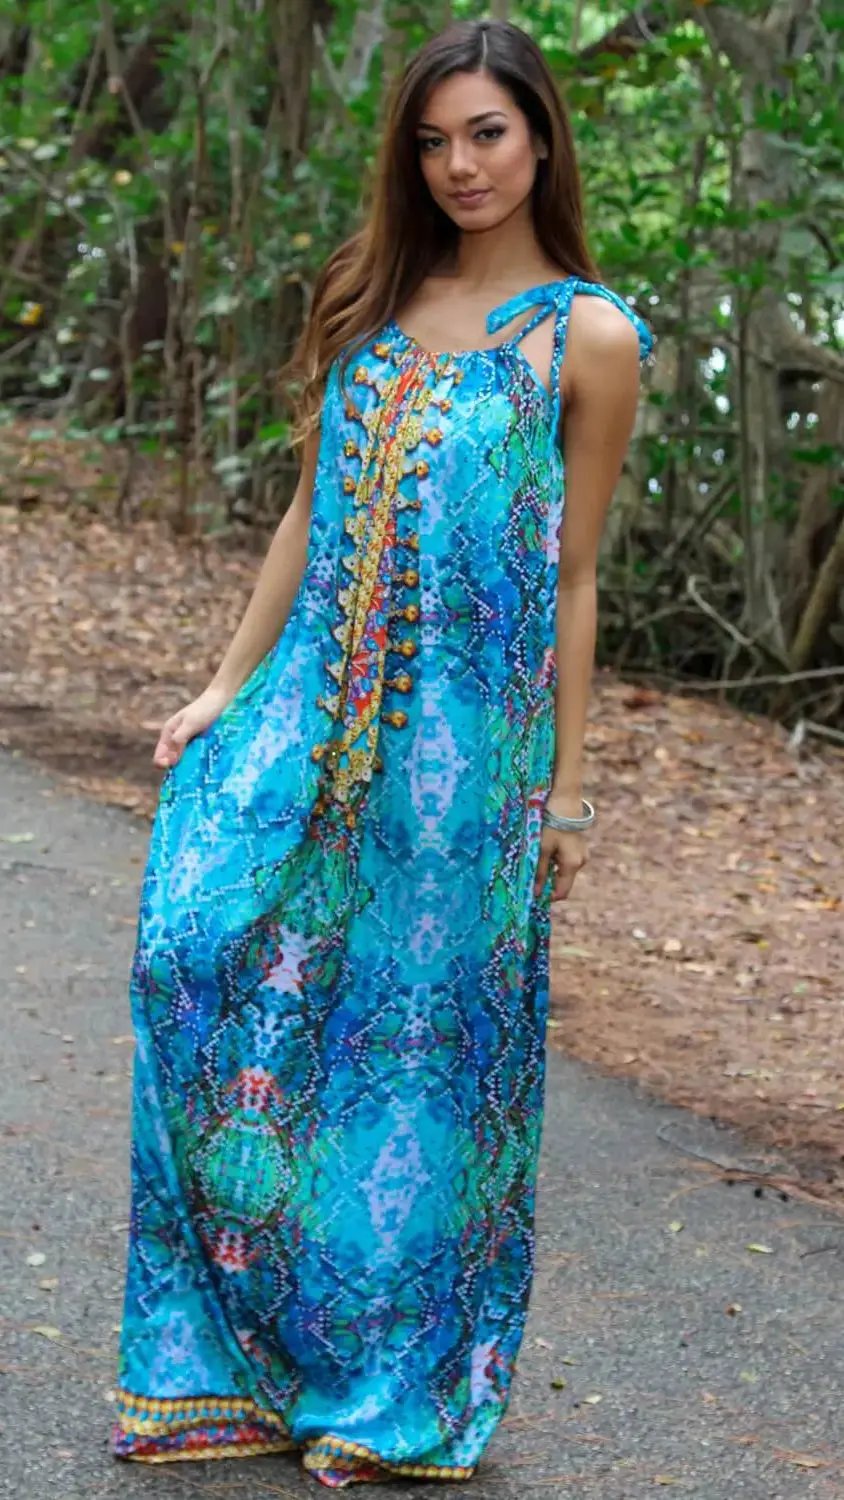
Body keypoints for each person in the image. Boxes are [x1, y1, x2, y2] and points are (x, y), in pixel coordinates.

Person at [110, 17, 653, 1490]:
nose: (460, 164)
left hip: (467, 765)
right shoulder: (374, 295)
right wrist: (225, 685)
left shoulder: (588, 337)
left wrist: (567, 790)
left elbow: (576, 573)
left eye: (486, 132)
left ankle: (390, 1391)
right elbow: (313, 507)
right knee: (191, 958)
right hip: (308, 720)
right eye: (432, 140)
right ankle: (232, 1359)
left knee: (413, 1068)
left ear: (540, 135)